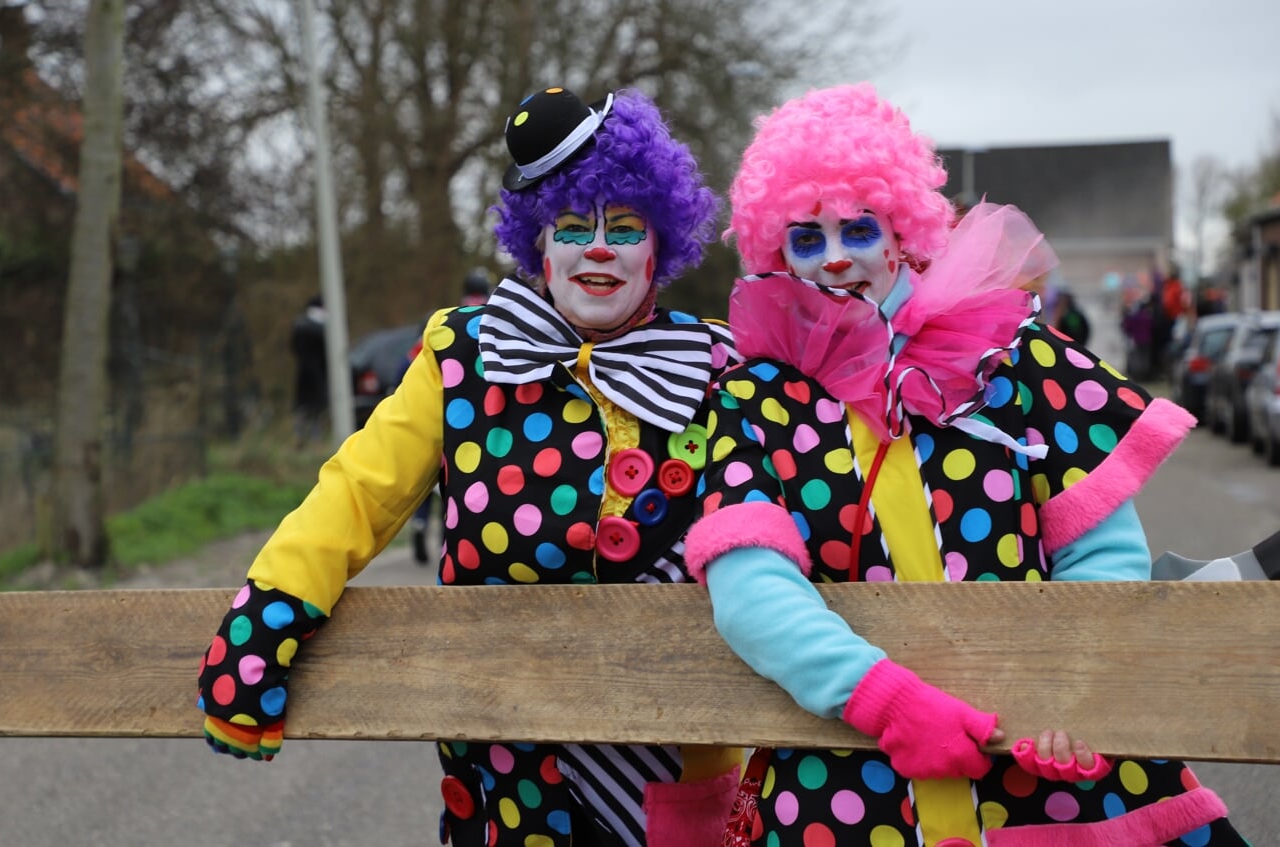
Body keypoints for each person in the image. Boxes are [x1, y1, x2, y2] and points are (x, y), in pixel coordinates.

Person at [682, 83, 1243, 846]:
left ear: (901, 228)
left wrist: (1062, 695)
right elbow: (749, 588)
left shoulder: (1008, 354)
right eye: (808, 239)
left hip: (1042, 771)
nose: (838, 256)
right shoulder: (752, 398)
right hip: (849, 775)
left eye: (858, 227)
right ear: (775, 250)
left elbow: (1099, 546)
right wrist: (884, 701)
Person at [196, 86, 743, 847]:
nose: (596, 248)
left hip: (674, 763)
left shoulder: (718, 363)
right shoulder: (464, 352)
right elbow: (359, 492)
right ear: (536, 242)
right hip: (507, 771)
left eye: (623, 227)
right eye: (571, 226)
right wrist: (268, 616)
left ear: (661, 244)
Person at [408, 267, 493, 564]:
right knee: (457, 479)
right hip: (472, 415)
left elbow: (408, 366)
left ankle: (419, 523)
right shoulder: (496, 318)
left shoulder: (446, 322)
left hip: (432, 406)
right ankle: (453, 535)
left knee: (423, 474)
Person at [289, 296, 330, 446]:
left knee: (303, 409)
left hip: (303, 374)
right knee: (315, 411)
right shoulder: (321, 328)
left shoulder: (299, 325)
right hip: (318, 374)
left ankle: (299, 437)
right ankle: (315, 440)